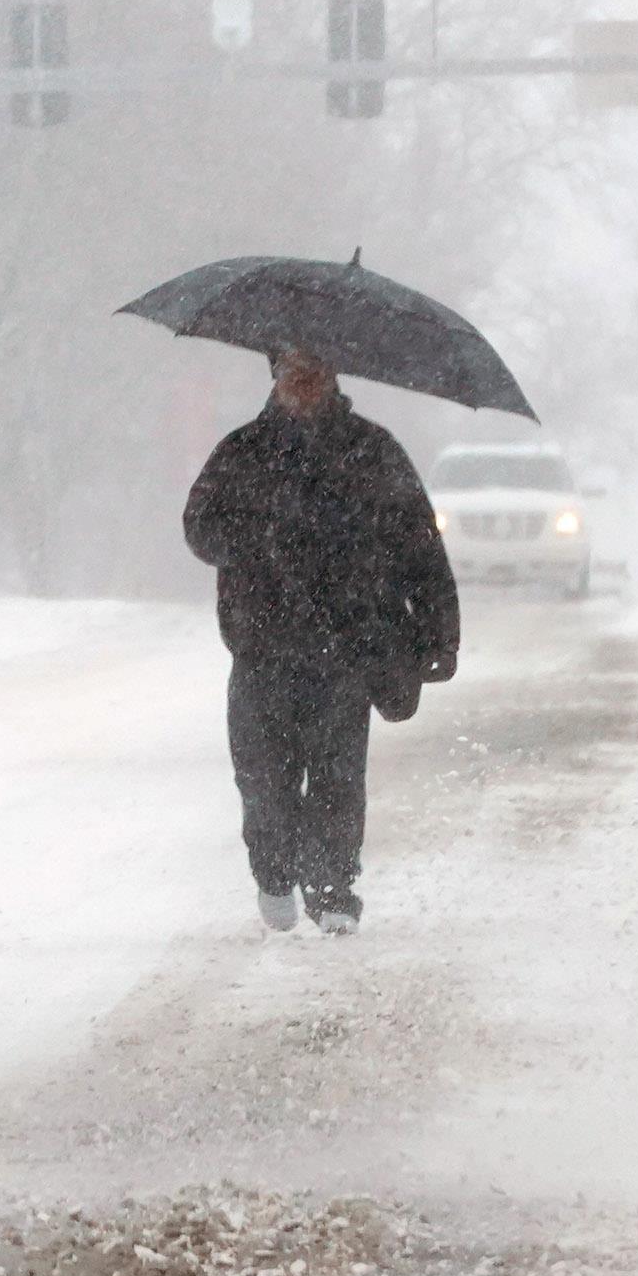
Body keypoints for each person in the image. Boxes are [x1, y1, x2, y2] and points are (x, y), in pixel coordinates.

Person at [180, 347, 460, 933]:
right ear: (276, 378)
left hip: (348, 646)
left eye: (316, 372)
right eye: (293, 372)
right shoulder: (242, 451)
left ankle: (332, 890)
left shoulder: (372, 450)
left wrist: (439, 634)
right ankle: (275, 874)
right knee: (263, 777)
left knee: (337, 776)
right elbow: (200, 530)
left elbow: (419, 546)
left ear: (334, 379)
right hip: (261, 646)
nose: (304, 382)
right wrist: (254, 532)